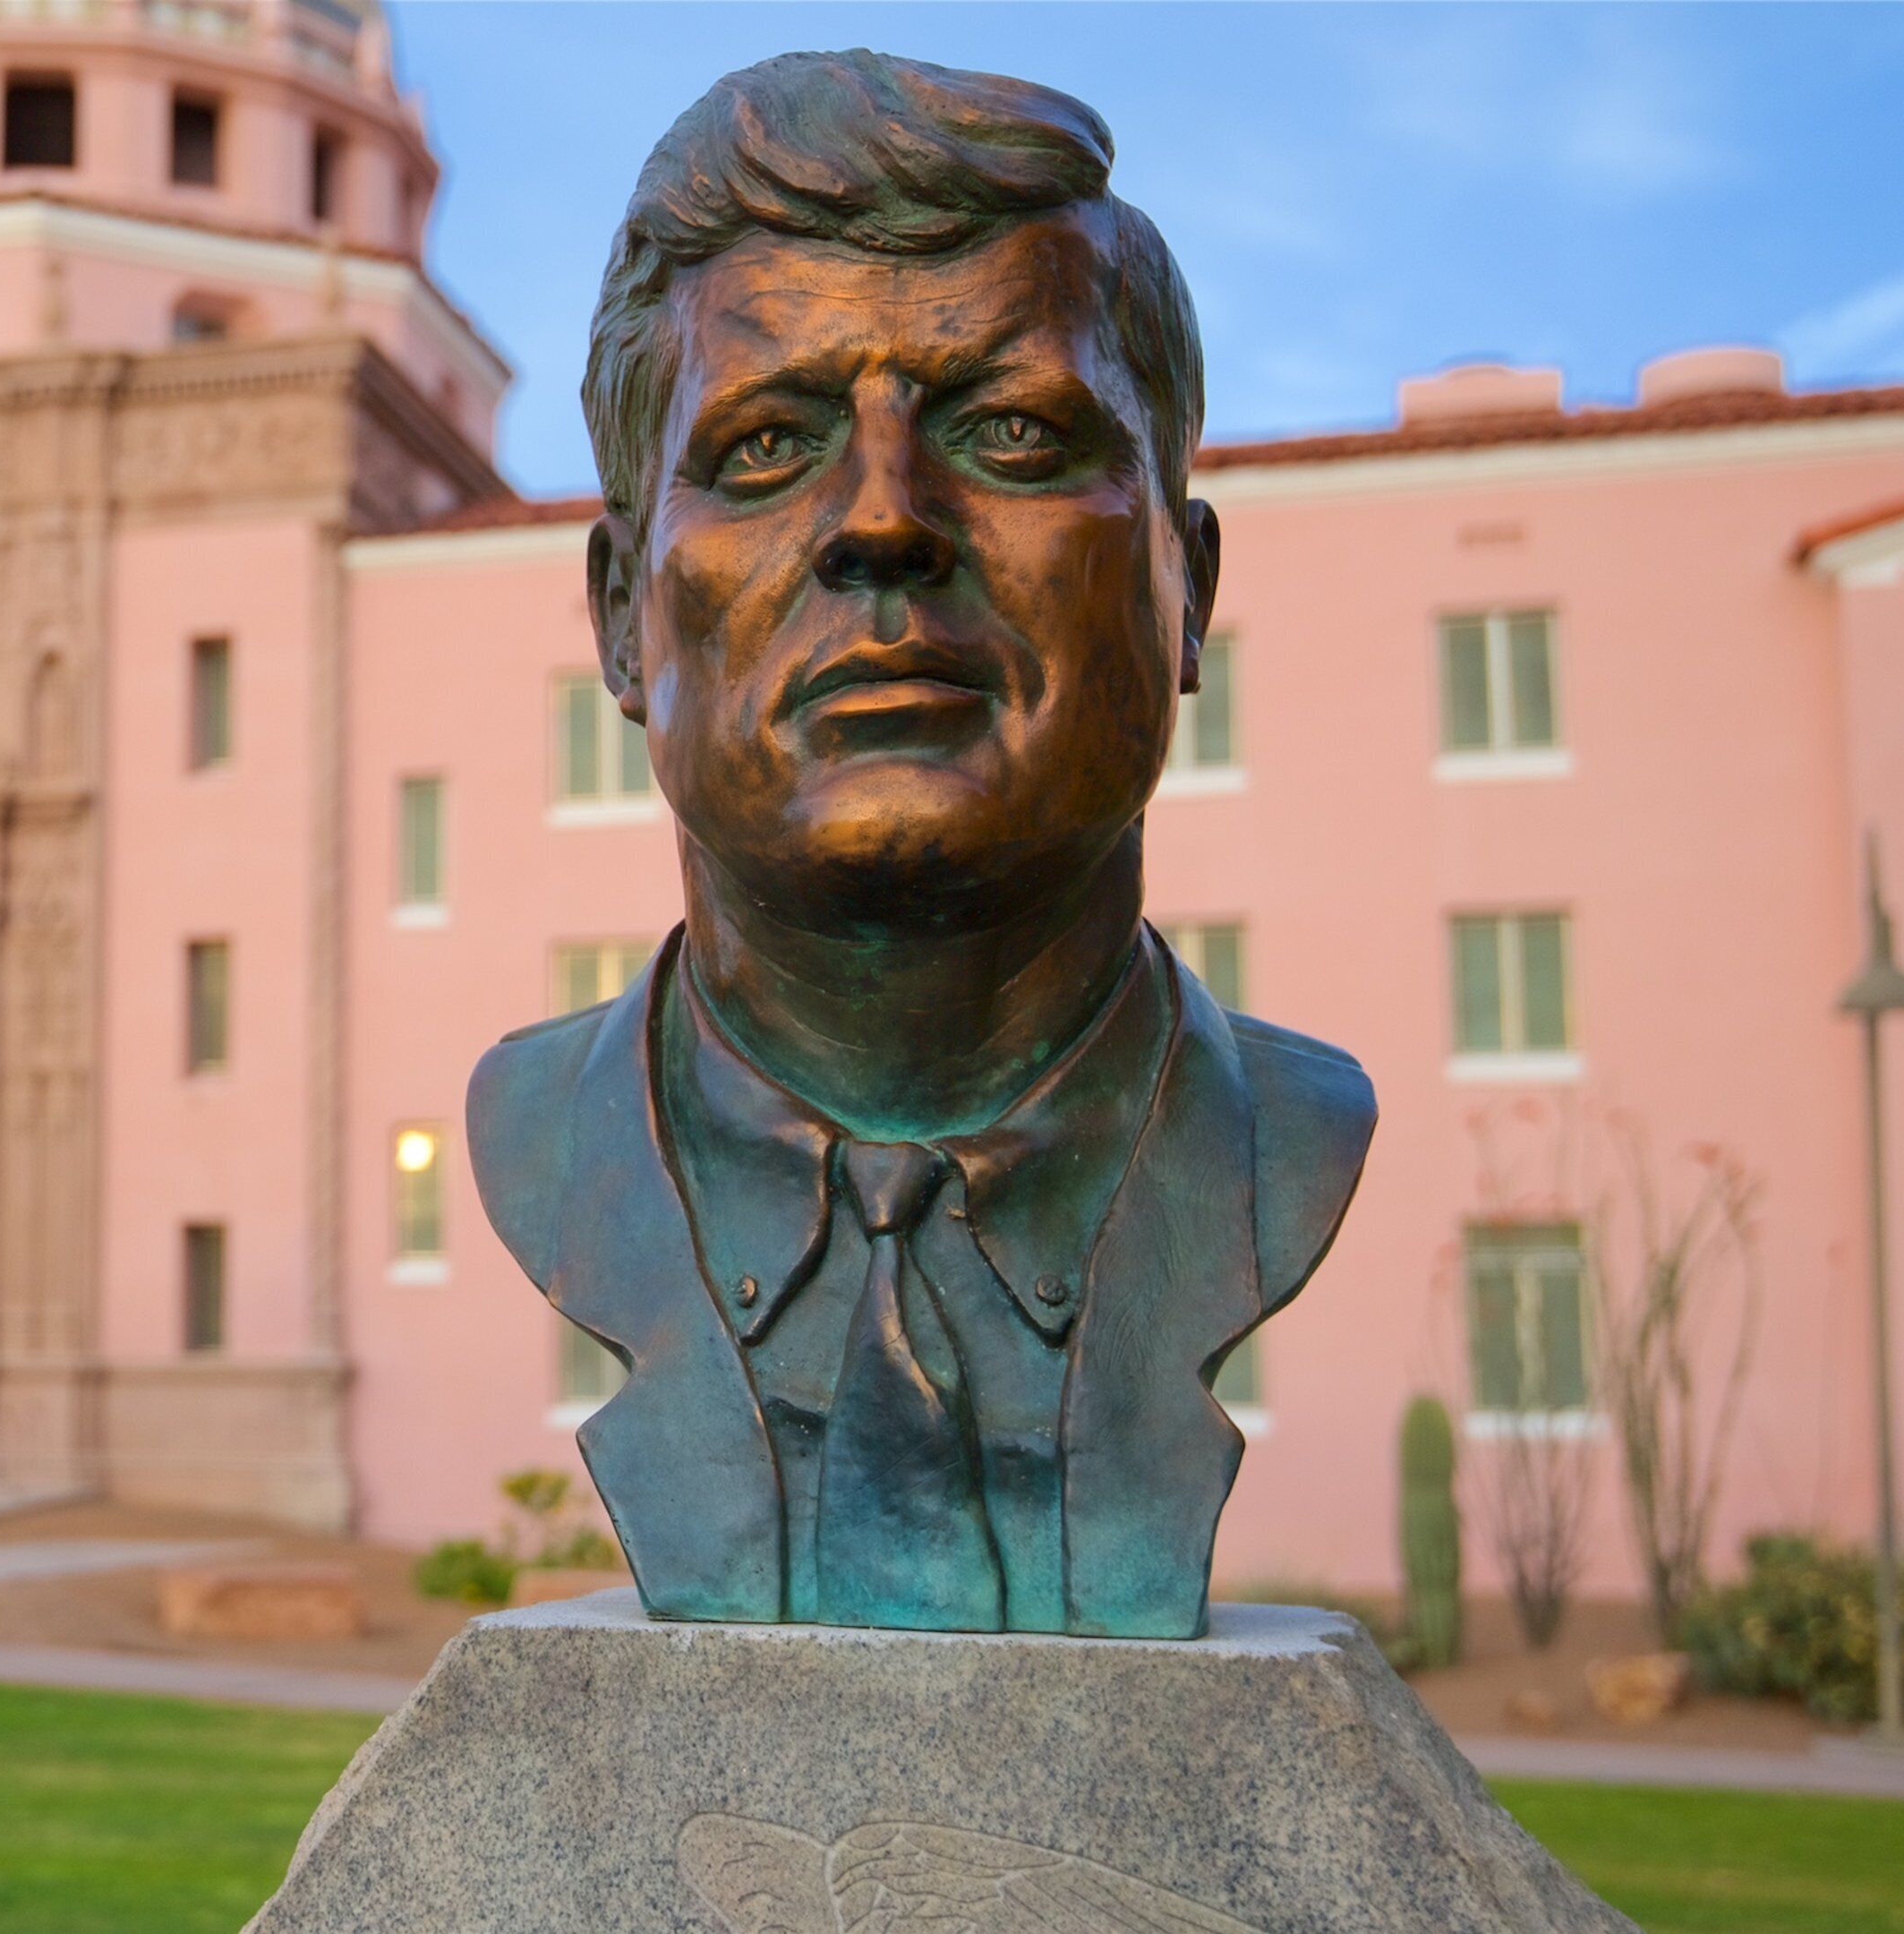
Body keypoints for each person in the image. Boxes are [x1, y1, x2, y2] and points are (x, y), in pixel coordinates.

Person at [465, 49, 1375, 1639]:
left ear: (1188, 593)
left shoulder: (1287, 1144)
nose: (883, 520)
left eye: (1014, 432)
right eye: (764, 446)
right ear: (621, 617)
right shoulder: (543, 1143)